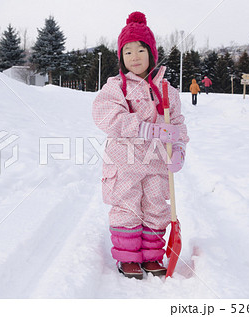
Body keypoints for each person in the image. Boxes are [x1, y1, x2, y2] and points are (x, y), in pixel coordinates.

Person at [92, 11, 189, 280]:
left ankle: (152, 256)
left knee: (157, 206)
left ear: (152, 53)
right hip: (125, 163)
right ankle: (128, 258)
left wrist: (179, 148)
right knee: (127, 206)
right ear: (121, 58)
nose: (134, 57)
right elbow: (106, 116)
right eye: (128, 52)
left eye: (140, 50)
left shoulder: (168, 90)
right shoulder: (116, 88)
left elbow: (178, 124)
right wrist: (145, 128)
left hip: (157, 162)